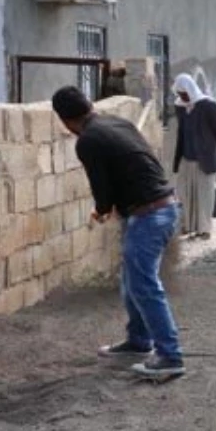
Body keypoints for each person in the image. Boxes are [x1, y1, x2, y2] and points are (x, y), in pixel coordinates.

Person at [51, 86, 185, 379]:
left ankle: (170, 356)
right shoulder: (117, 123)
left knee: (144, 285)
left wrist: (100, 210)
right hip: (162, 207)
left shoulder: (88, 140)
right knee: (131, 281)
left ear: (64, 120)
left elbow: (102, 191)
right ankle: (138, 341)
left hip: (149, 213)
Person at [172, 73, 216, 241]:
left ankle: (204, 229)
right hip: (187, 157)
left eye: (184, 93)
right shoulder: (180, 108)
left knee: (204, 195)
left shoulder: (209, 106)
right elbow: (181, 132)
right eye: (180, 94)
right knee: (185, 193)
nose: (183, 97)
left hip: (205, 159)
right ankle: (187, 225)